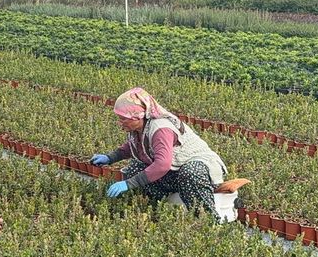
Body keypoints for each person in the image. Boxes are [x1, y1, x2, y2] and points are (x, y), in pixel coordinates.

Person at [91, 87, 228, 220]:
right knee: (135, 168)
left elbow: (162, 165)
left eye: (123, 118)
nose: (120, 123)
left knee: (190, 173)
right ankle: (160, 210)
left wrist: (129, 184)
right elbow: (135, 146)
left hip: (200, 170)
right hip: (175, 170)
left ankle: (208, 221)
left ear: (138, 116)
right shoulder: (139, 128)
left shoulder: (160, 128)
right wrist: (110, 157)